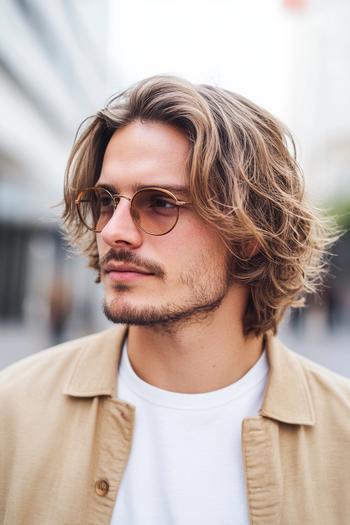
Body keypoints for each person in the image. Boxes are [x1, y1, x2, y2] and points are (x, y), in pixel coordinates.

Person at [0, 76, 349, 525]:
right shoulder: (15, 411)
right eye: (107, 201)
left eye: (160, 202)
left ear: (247, 236)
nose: (112, 230)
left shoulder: (339, 434)